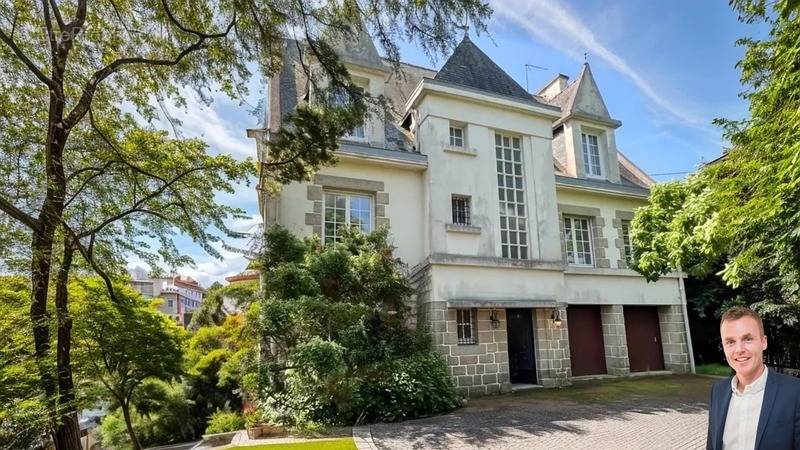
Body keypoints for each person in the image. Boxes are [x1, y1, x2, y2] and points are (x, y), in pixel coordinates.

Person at [706, 306, 800, 450]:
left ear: (763, 342)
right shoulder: (718, 391)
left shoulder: (795, 392)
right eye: (730, 342)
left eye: (747, 339)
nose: (739, 350)